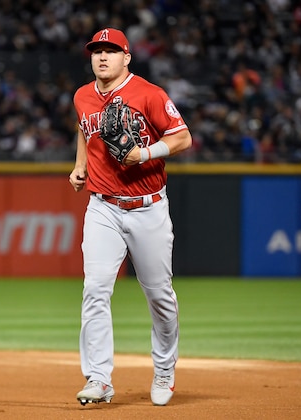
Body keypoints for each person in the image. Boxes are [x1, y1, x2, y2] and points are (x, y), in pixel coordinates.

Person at [68, 28, 192, 407]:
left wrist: (146, 153)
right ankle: (99, 378)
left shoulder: (149, 94)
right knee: (95, 290)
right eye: (96, 51)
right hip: (102, 206)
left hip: (148, 207)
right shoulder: (83, 96)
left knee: (160, 298)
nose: (102, 57)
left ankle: (165, 369)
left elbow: (183, 138)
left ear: (127, 58)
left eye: (111, 51)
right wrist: (79, 166)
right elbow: (83, 128)